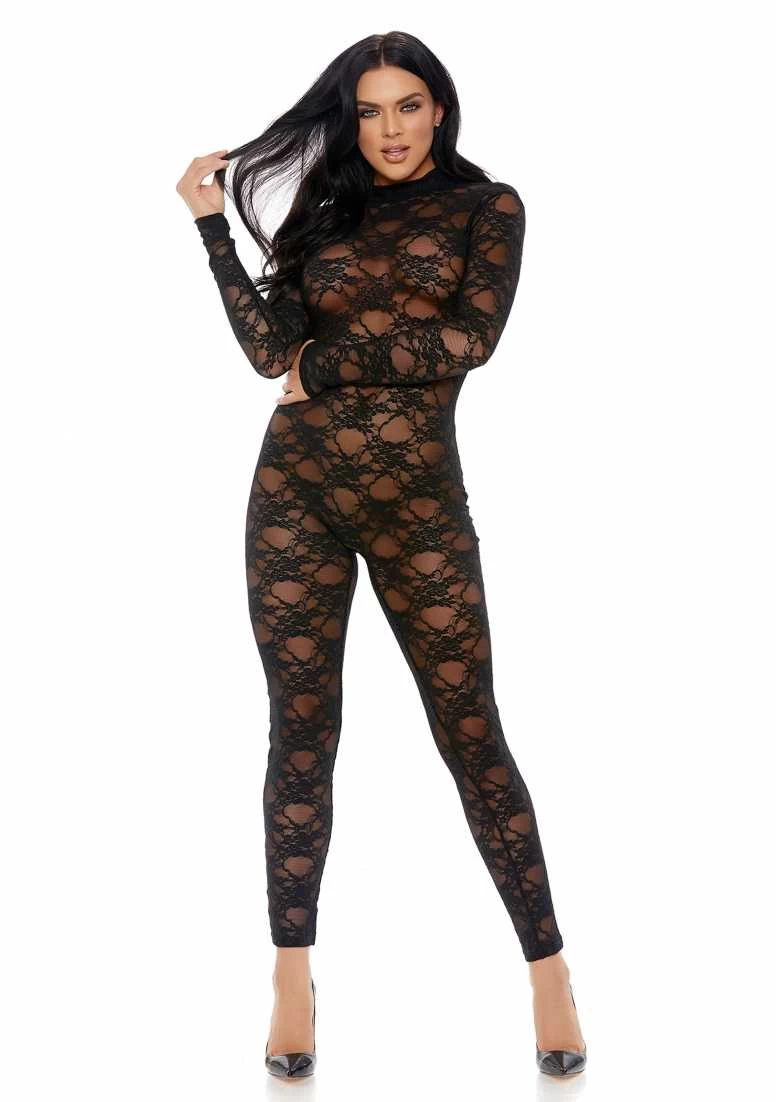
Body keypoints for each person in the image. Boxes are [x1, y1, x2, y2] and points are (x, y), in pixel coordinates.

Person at [176, 30, 586, 1079]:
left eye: (408, 106)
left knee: (471, 732)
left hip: (418, 505)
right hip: (296, 495)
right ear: (349, 120)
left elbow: (468, 339)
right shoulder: (324, 211)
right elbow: (269, 353)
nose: (390, 129)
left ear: (439, 107)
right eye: (369, 111)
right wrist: (211, 228)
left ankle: (548, 971)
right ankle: (290, 977)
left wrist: (328, 364)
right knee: (300, 735)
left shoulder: (487, 208)